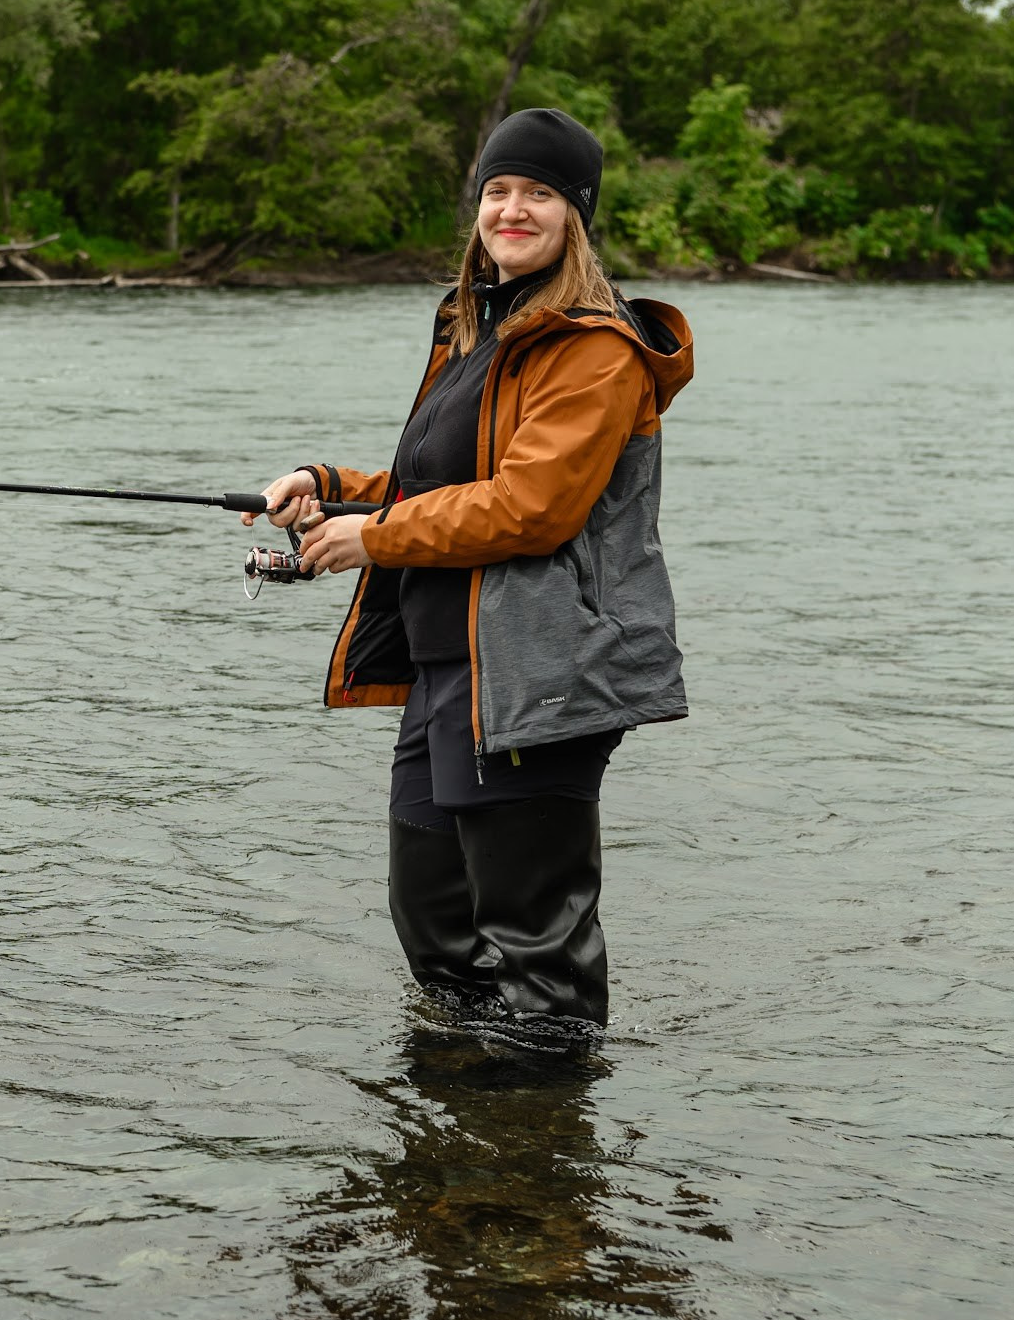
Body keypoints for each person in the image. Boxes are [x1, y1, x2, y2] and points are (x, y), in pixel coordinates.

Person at [248, 108, 693, 1038]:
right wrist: (332, 489)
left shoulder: (594, 347)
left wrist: (375, 536)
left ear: (577, 214)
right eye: (498, 190)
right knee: (437, 930)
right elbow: (442, 481)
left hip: (543, 674)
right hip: (452, 665)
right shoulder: (477, 327)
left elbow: (532, 506)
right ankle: (468, 1137)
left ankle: (542, 1153)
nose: (513, 210)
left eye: (539, 193)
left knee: (539, 949)